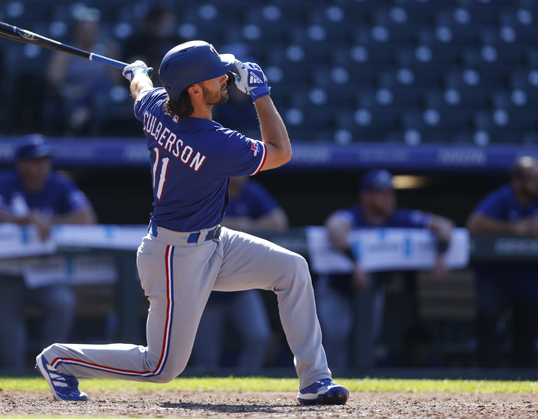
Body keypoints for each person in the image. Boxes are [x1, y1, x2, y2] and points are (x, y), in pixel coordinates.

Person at [34, 40, 349, 405]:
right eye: (217, 76)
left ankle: (314, 380)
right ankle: (59, 359)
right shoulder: (212, 142)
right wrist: (261, 94)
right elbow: (281, 152)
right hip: (175, 254)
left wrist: (137, 73)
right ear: (195, 91)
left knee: (292, 269)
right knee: (160, 366)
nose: (226, 78)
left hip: (214, 241)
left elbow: (141, 91)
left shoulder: (156, 106)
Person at [0, 134, 98, 372]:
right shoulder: (4, 181)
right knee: (12, 355)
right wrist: (28, 219)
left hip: (45, 273)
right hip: (5, 275)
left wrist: (48, 222)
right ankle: (13, 382)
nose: (42, 165)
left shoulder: (60, 184)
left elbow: (87, 218)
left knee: (63, 301)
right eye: (35, 160)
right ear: (21, 164)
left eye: (45, 159)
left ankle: (49, 368)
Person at [320, 169, 455, 370]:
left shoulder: (400, 218)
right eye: (382, 193)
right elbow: (334, 226)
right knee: (334, 340)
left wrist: (440, 256)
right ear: (366, 196)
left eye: (390, 193)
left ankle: (359, 385)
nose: (389, 198)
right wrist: (356, 263)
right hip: (337, 289)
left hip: (372, 291)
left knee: (366, 343)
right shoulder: (353, 216)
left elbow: (445, 225)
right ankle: (326, 383)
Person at [190, 175, 288, 373]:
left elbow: (279, 222)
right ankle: (207, 391)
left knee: (259, 337)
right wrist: (242, 226)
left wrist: (242, 226)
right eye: (239, 168)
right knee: (206, 356)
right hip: (209, 289)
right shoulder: (209, 189)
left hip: (241, 285)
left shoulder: (252, 191)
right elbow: (200, 224)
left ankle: (245, 382)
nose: (244, 173)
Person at [466, 156, 538, 368]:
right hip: (497, 276)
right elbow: (474, 223)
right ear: (517, 181)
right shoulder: (503, 197)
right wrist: (514, 228)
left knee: (530, 321)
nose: (538, 183)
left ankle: (525, 375)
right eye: (533, 178)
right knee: (488, 312)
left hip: (529, 279)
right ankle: (487, 373)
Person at [45, 6, 122, 135]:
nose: (89, 33)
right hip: (72, 99)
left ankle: (85, 112)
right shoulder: (65, 53)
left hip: (100, 100)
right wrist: (72, 91)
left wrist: (111, 56)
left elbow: (116, 83)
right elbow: (54, 82)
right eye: (85, 30)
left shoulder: (106, 52)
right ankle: (84, 111)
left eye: (92, 30)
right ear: (77, 31)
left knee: (101, 85)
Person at [122, 0, 185, 87]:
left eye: (161, 17)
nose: (159, 22)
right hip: (147, 88)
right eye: (153, 18)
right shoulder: (135, 44)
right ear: (145, 21)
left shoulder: (181, 43)